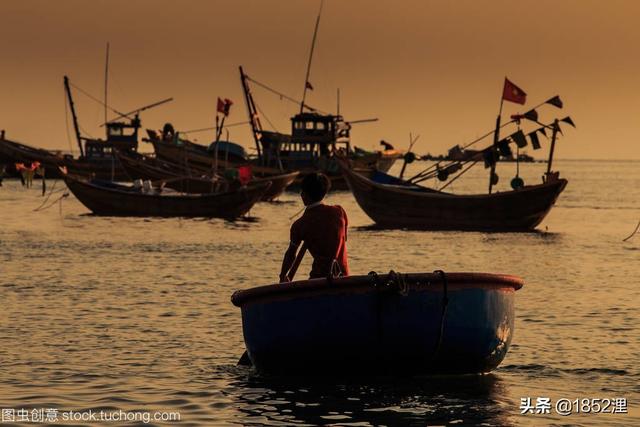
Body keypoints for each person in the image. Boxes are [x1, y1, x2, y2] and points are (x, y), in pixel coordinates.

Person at [279, 173, 349, 282]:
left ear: (303, 195)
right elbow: (344, 239)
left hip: (320, 280)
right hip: (344, 278)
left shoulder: (300, 225)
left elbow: (291, 255)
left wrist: (282, 277)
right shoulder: (339, 211)